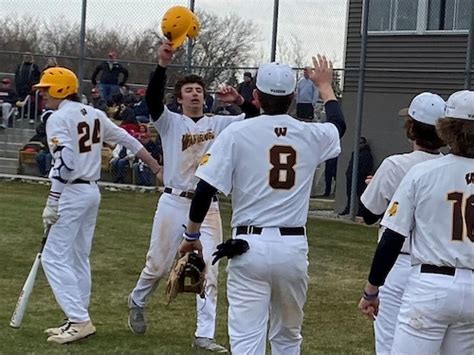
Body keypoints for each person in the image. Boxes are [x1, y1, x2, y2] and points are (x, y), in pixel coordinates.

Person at [180, 55, 345, 354]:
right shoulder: (310, 134)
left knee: (246, 340)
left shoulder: (236, 132)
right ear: (294, 97)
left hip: (248, 245)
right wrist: (325, 87)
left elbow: (204, 188)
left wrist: (192, 236)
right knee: (287, 338)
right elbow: (338, 125)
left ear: (255, 95)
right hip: (293, 248)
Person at [127, 39, 250, 352]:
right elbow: (153, 101)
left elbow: (256, 119)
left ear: (205, 96)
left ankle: (204, 334)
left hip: (207, 206)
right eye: (189, 90)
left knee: (210, 266)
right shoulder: (170, 122)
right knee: (158, 264)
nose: (195, 93)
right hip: (173, 201)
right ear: (179, 98)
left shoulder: (220, 122)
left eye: (199, 90)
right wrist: (162, 65)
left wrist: (240, 100)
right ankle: (137, 299)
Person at [32, 66, 162, 344]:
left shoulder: (57, 118)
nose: (43, 96)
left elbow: (64, 163)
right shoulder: (94, 113)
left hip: (71, 191)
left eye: (45, 90)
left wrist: (53, 200)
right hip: (91, 191)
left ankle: (79, 320)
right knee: (79, 257)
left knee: (53, 257)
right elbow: (126, 139)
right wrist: (154, 165)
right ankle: (76, 316)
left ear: (59, 89)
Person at [358, 89, 474, 354]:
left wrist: (371, 289)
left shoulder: (423, 172)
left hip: (431, 283)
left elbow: (392, 236)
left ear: (447, 128)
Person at [340, 136, 374, 216]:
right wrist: (348, 173)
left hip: (360, 178)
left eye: (361, 143)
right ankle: (348, 208)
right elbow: (351, 164)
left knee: (360, 195)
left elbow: (366, 167)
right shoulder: (355, 153)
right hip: (351, 176)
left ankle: (361, 211)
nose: (359, 145)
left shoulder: (366, 154)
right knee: (349, 194)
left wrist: (360, 175)